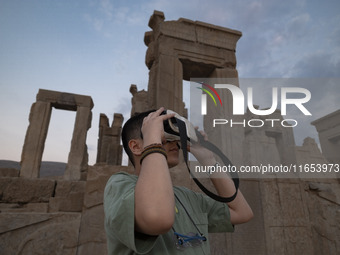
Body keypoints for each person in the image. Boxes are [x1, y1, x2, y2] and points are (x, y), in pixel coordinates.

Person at [104, 107, 253, 255]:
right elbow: (158, 218)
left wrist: (207, 159)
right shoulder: (119, 185)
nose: (174, 143)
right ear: (136, 146)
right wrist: (153, 141)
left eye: (175, 138)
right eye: (165, 138)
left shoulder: (187, 196)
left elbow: (242, 213)